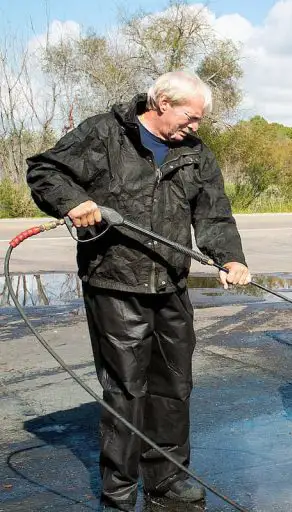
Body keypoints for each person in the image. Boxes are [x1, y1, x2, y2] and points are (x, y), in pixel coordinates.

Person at [26, 70, 251, 511]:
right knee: (127, 390)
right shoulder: (106, 134)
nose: (196, 126)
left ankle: (166, 481)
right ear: (163, 102)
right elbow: (45, 170)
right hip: (115, 284)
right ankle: (120, 490)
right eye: (192, 116)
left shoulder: (196, 154)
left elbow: (214, 214)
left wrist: (231, 257)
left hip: (170, 285)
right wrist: (74, 202)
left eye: (200, 120)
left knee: (174, 387)